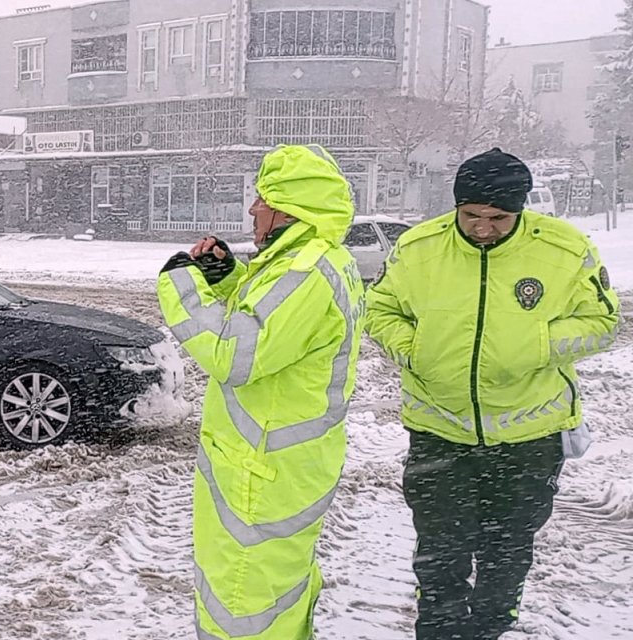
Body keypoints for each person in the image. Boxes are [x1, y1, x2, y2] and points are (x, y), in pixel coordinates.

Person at [364, 148, 622, 640]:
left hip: (529, 437)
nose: (483, 228)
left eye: (499, 218)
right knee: (441, 554)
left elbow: (603, 321)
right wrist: (414, 349)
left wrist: (536, 344)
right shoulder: (418, 248)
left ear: (521, 210)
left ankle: (489, 629)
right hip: (440, 432)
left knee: (506, 553)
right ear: (457, 207)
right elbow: (378, 309)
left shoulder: (565, 251)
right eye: (472, 216)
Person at [158, 144, 366, 640]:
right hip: (280, 468)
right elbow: (272, 326)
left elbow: (236, 354)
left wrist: (181, 284)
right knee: (275, 596)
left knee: (240, 607)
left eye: (263, 198)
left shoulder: (306, 272)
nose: (253, 209)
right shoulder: (312, 262)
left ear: (290, 208)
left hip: (260, 475)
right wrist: (228, 279)